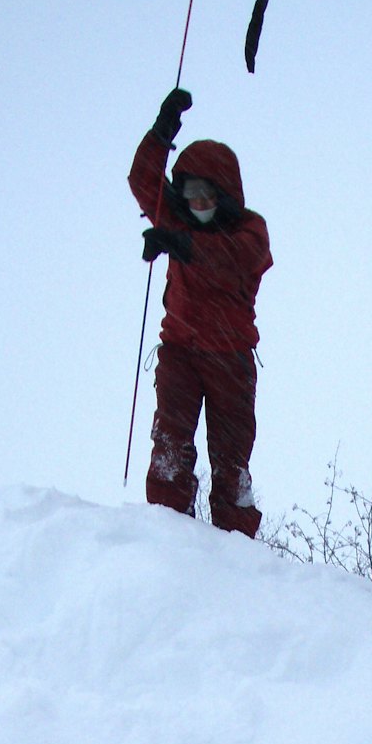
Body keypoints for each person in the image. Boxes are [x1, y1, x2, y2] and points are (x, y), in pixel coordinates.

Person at [128, 90, 273, 538]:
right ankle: (168, 537)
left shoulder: (250, 229)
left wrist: (178, 243)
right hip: (179, 354)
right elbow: (143, 178)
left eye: (208, 194)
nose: (197, 204)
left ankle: (236, 550)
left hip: (230, 360)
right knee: (169, 450)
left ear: (226, 196)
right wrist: (162, 128)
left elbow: (230, 259)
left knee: (231, 464)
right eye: (189, 193)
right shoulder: (180, 221)